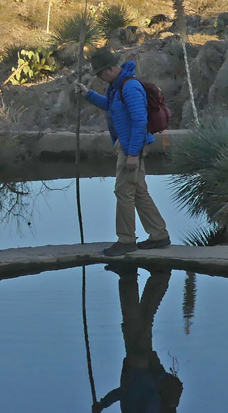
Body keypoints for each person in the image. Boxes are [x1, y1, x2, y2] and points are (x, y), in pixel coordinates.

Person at [73, 49, 171, 257]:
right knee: (138, 191)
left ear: (110, 69)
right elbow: (110, 106)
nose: (99, 77)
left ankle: (126, 240)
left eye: (100, 73)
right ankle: (159, 234)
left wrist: (133, 154)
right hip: (127, 145)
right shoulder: (116, 87)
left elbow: (139, 121)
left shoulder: (130, 87)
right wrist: (87, 94)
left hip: (130, 147)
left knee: (124, 192)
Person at [91, 264, 183, 413]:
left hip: (138, 367)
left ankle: (155, 276)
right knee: (133, 324)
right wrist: (148, 373)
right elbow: (150, 398)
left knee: (140, 322)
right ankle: (133, 277)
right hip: (142, 367)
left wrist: (103, 404)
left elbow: (123, 392)